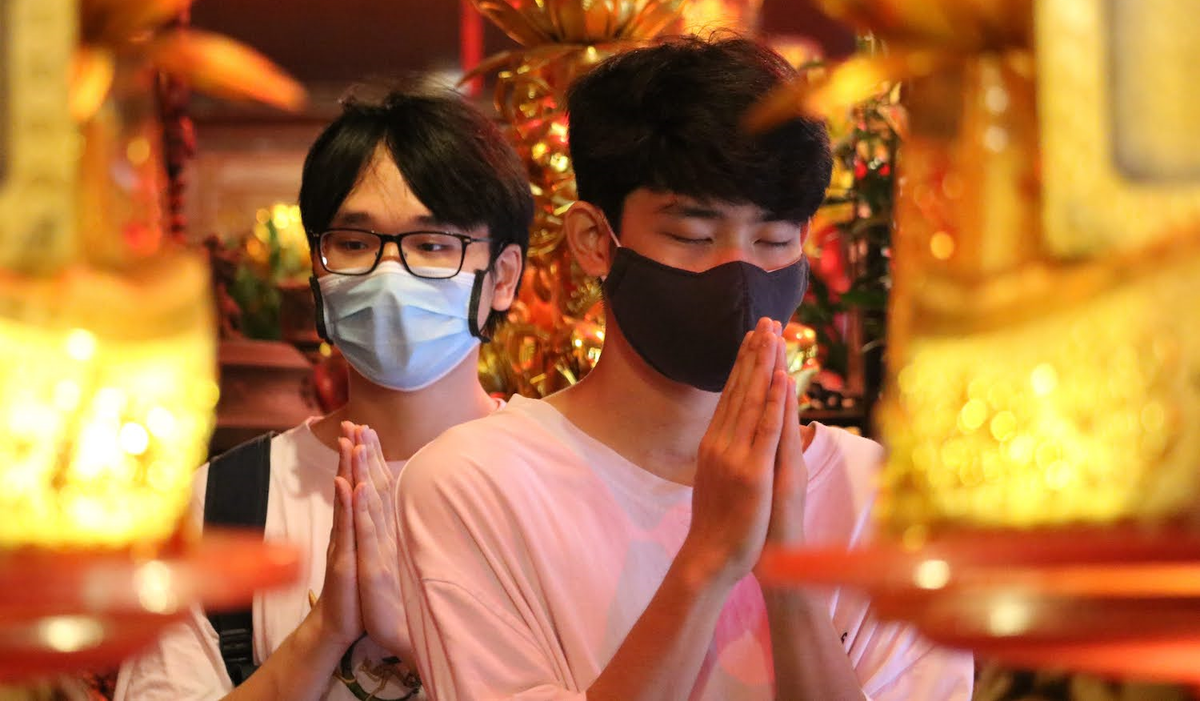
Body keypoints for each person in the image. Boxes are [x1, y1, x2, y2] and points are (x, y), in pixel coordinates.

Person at [393, 37, 975, 700]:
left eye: (773, 240)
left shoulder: (878, 496)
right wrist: (708, 561)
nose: (740, 273)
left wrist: (792, 575)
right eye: (693, 237)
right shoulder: (474, 485)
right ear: (594, 240)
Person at [114, 85, 534, 701]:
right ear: (317, 267)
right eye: (354, 244)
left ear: (503, 277)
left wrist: (414, 643)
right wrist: (324, 632)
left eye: (432, 245)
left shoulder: (557, 482)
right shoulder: (227, 503)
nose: (389, 273)